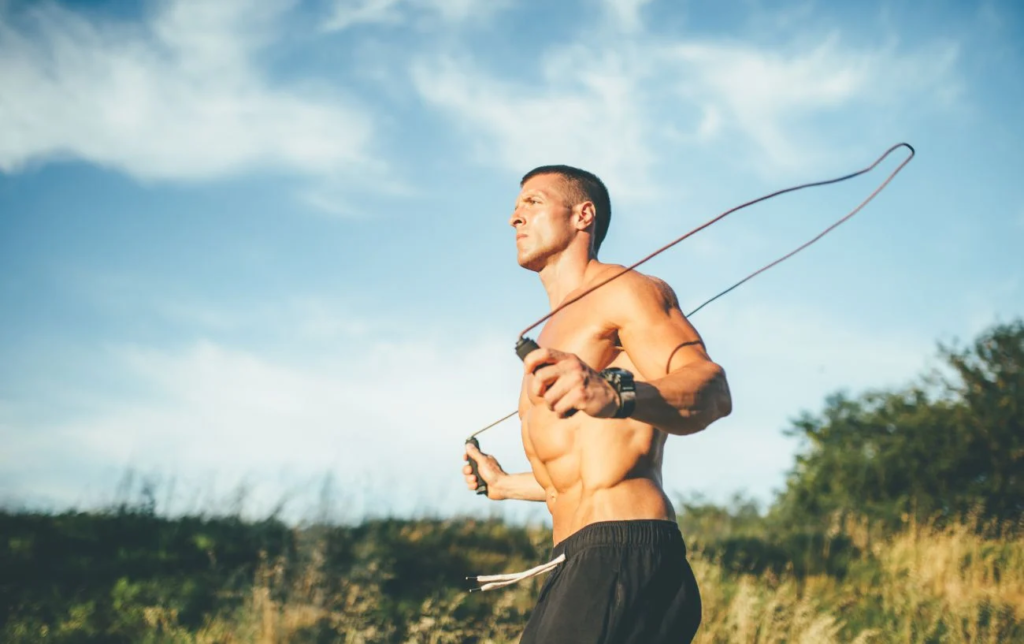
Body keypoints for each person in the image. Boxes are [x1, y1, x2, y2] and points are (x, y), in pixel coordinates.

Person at [462, 165, 732, 643]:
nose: (513, 218)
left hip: (626, 553)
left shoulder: (624, 290)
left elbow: (712, 391)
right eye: (516, 206)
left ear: (582, 215)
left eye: (533, 203)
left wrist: (617, 392)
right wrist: (502, 484)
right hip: (579, 559)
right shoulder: (552, 332)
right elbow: (578, 476)